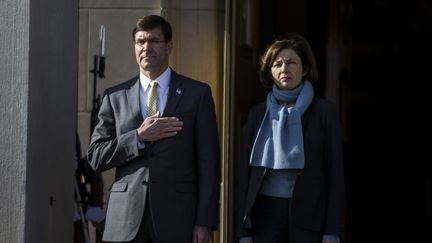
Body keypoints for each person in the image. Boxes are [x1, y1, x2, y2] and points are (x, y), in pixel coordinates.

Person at [87, 15, 221, 243]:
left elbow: (209, 164)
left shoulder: (197, 94)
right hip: (125, 221)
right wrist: (138, 137)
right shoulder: (115, 97)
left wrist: (205, 221)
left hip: (178, 219)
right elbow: (96, 156)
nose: (146, 48)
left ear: (169, 46)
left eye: (153, 41)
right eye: (140, 42)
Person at [235, 33, 345, 243]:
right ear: (270, 72)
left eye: (291, 62)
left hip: (310, 216)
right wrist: (243, 232)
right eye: (277, 64)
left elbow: (335, 173)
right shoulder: (258, 113)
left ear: (304, 69)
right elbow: (244, 175)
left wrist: (332, 231)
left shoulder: (324, 112)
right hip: (263, 217)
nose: (284, 69)